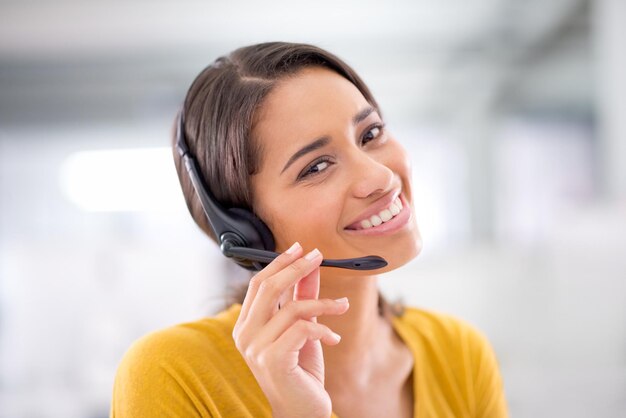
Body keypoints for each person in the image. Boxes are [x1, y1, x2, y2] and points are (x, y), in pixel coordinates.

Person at [110, 42, 509, 418]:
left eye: (370, 134)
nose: (381, 176)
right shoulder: (174, 374)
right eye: (316, 167)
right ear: (246, 229)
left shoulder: (458, 352)